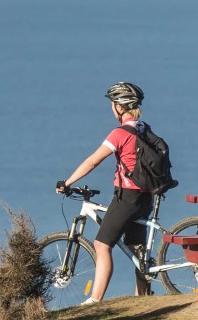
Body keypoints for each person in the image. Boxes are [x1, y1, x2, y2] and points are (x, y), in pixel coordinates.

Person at [55, 81, 156, 306]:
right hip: (146, 196)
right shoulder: (144, 128)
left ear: (120, 107)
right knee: (136, 247)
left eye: (113, 104)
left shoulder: (120, 133)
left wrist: (67, 182)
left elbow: (92, 161)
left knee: (102, 244)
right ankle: (143, 296)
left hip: (127, 196)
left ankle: (95, 299)